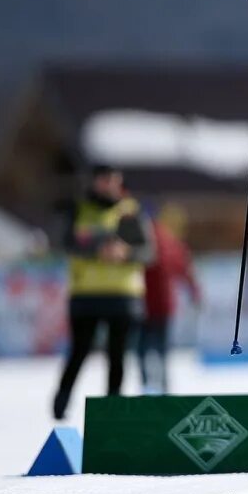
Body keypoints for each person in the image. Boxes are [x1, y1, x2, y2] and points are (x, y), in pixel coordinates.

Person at [53, 165, 154, 419]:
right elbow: (67, 244)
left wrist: (125, 253)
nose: (108, 184)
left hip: (123, 296)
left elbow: (148, 252)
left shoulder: (130, 211)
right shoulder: (80, 209)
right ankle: (62, 400)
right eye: (104, 179)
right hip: (86, 295)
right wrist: (97, 250)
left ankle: (113, 407)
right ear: (95, 181)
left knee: (118, 354)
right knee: (79, 351)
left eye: (113, 179)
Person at [140, 204, 201, 394]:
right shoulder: (169, 240)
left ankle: (151, 387)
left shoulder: (160, 240)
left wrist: (194, 291)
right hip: (157, 305)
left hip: (148, 305)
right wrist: (194, 291)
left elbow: (183, 267)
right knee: (157, 349)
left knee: (146, 349)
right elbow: (185, 268)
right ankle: (160, 388)